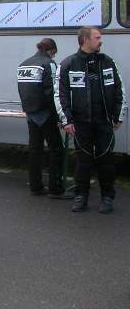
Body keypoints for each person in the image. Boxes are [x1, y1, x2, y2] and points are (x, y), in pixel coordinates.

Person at [55, 27, 126, 214]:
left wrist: (118, 115)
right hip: (80, 123)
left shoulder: (107, 62)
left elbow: (120, 89)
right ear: (85, 40)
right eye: (97, 37)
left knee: (106, 161)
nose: (100, 41)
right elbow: (60, 95)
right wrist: (66, 120)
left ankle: (107, 197)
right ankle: (81, 197)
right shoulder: (68, 64)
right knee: (83, 162)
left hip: (104, 121)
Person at [17, 38, 69, 198]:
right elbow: (52, 92)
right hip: (45, 113)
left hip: (30, 114)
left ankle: (36, 186)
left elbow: (22, 90)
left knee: (35, 150)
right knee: (56, 150)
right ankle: (55, 188)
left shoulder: (23, 64)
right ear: (51, 51)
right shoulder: (49, 64)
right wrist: (59, 116)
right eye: (54, 54)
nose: (54, 57)